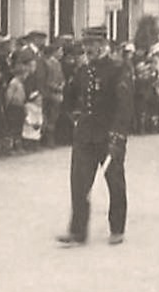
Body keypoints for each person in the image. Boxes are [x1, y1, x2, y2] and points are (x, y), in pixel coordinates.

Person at [57, 26, 133, 247]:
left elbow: (125, 105)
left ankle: (117, 228)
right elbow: (70, 97)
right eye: (85, 44)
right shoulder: (82, 70)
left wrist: (118, 135)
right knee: (79, 184)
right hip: (85, 135)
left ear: (103, 45)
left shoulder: (118, 68)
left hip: (109, 136)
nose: (87, 48)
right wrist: (74, 117)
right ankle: (78, 231)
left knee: (115, 183)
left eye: (92, 44)